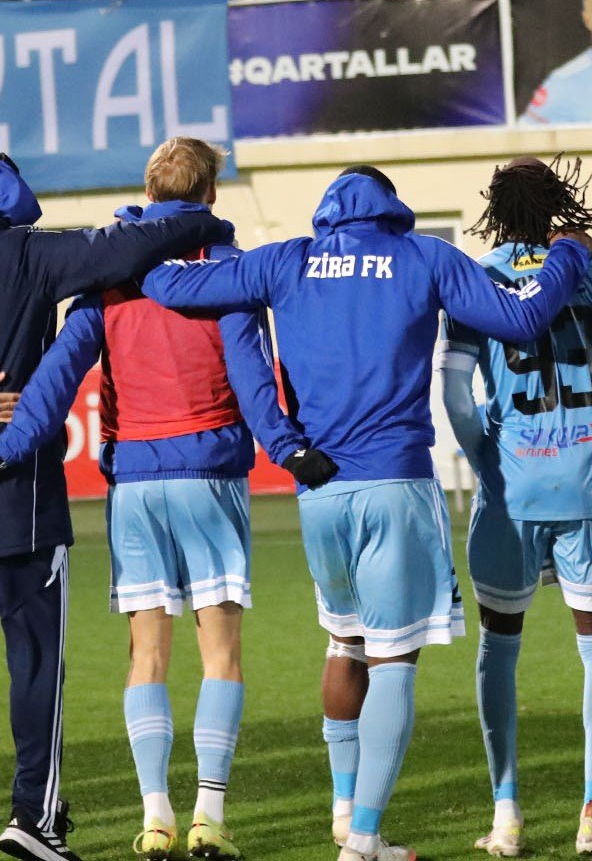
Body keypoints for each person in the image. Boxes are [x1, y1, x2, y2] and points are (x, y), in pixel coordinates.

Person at [139, 163, 592, 861]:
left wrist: (148, 228)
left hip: (318, 491)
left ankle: (344, 809)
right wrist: (566, 254)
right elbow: (522, 317)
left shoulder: (286, 260)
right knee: (393, 661)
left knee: (343, 643)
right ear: (392, 207)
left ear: (328, 211)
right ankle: (363, 839)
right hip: (395, 487)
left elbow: (167, 284)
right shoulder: (425, 257)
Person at [0, 138, 324, 861]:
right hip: (209, 473)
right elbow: (253, 378)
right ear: (210, 195)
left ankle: (155, 820)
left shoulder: (112, 279)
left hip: (137, 482)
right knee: (220, 651)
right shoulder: (228, 271)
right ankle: (209, 816)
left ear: (148, 196)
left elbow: (56, 377)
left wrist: (10, 444)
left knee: (146, 653)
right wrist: (287, 449)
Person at [438, 156, 592, 857]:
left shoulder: (475, 278)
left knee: (499, 645)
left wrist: (487, 461)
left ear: (496, 210)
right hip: (588, 486)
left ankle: (506, 815)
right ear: (559, 203)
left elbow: (454, 397)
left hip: (511, 491)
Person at [0, 153, 230, 861]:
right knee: (36, 665)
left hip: (60, 492)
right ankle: (34, 818)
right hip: (21, 507)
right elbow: (122, 250)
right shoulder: (29, 254)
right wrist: (201, 219)